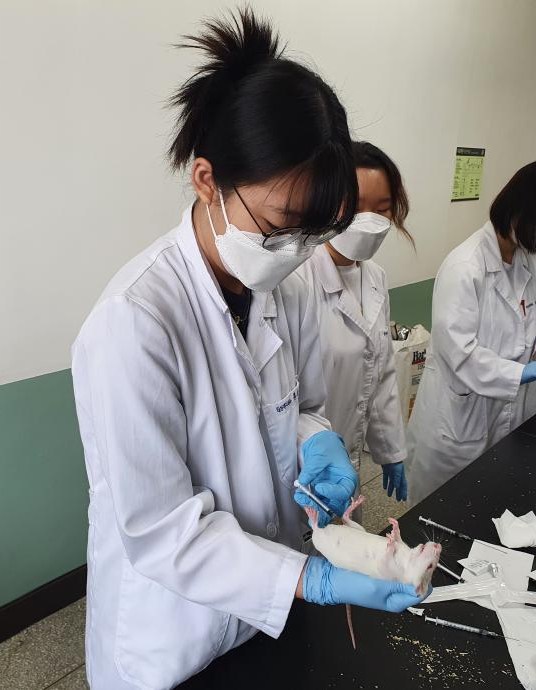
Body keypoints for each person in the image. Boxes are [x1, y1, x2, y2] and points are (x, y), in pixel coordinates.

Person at [71, 10, 425, 689]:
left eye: (314, 232)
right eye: (283, 224)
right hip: (175, 635)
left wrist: (318, 441)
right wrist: (309, 579)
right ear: (207, 180)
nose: (297, 250)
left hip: (265, 610)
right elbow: (162, 531)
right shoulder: (134, 322)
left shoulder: (280, 285)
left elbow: (301, 404)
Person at [406, 158, 536, 504]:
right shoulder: (465, 267)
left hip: (506, 410)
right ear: (521, 207)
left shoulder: (528, 260)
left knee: (489, 500)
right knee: (441, 507)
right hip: (459, 417)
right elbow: (459, 353)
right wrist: (519, 373)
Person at [298, 142, 413, 502]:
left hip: (349, 456)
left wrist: (391, 450)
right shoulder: (297, 279)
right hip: (303, 462)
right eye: (356, 206)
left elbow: (380, 373)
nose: (369, 220)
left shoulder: (375, 277)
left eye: (381, 209)